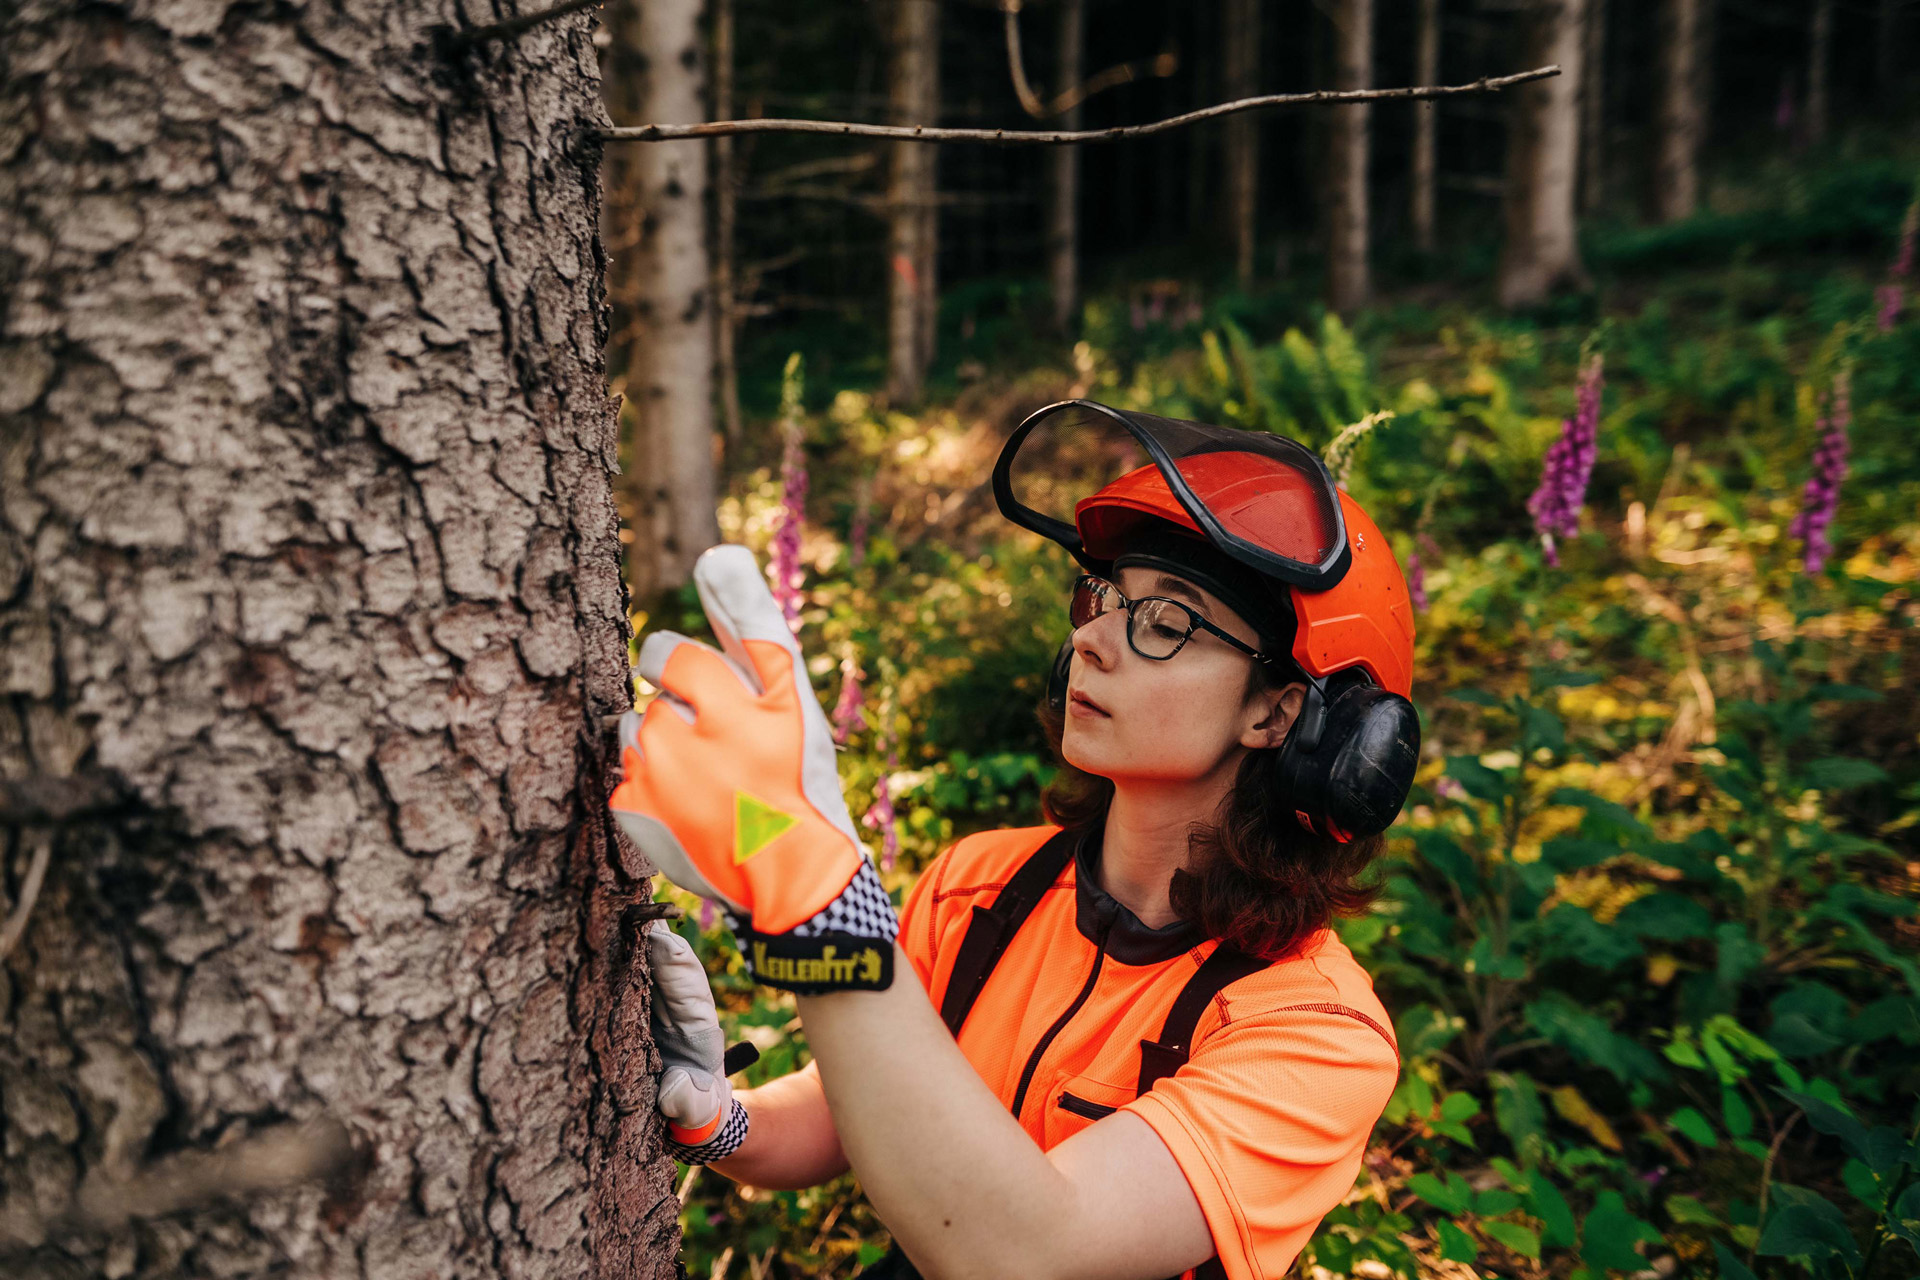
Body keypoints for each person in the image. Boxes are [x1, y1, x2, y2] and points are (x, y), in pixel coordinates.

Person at [614, 401, 1421, 1280]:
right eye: (1103, 598)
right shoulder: (981, 883)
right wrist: (718, 1118)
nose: (1091, 637)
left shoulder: (1316, 1034)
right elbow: (850, 1113)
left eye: (1168, 621)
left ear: (1280, 713)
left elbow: (1030, 1252)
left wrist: (818, 912)